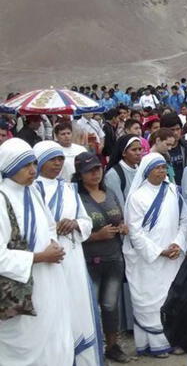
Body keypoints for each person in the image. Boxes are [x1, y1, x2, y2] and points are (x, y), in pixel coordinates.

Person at [0, 138, 73, 365]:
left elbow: (49, 225)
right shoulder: (2, 199)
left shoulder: (32, 191)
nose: (33, 170)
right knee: (25, 343)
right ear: (10, 167)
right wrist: (40, 257)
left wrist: (52, 243)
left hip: (50, 280)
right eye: (25, 166)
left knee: (54, 335)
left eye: (33, 163)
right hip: (21, 287)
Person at [34, 141, 103, 365]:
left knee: (78, 307)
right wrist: (54, 227)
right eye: (51, 159)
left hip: (72, 259)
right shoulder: (31, 190)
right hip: (46, 259)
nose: (57, 163)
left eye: (60, 159)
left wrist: (74, 223)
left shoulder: (68, 189)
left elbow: (86, 221)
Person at [123, 153, 187, 357]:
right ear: (147, 171)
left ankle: (175, 339)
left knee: (174, 298)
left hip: (173, 256)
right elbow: (135, 232)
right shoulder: (137, 197)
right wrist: (159, 251)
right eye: (157, 167)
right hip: (149, 261)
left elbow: (185, 220)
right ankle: (155, 343)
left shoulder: (172, 190)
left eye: (164, 167)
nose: (162, 171)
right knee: (152, 300)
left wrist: (178, 244)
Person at [74, 151, 131, 363]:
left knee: (110, 305)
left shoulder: (110, 194)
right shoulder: (77, 198)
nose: (95, 174)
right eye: (89, 171)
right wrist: (96, 236)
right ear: (80, 174)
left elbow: (120, 216)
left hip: (114, 258)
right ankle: (93, 348)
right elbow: (72, 231)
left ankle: (112, 346)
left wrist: (122, 227)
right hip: (90, 260)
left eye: (97, 168)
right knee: (90, 307)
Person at [160, 113, 187, 186]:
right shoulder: (160, 151)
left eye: (178, 129)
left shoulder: (186, 146)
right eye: (172, 130)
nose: (175, 133)